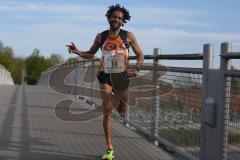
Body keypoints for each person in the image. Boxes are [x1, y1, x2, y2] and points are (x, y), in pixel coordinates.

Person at [66, 4, 144, 160]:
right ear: (109, 17)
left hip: (122, 76)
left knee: (122, 110)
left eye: (119, 18)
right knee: (107, 111)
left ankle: (120, 103)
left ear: (123, 21)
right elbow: (90, 54)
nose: (116, 19)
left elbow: (140, 55)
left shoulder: (128, 36)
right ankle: (109, 148)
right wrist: (77, 51)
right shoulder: (100, 36)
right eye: (114, 16)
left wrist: (137, 69)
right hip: (104, 75)